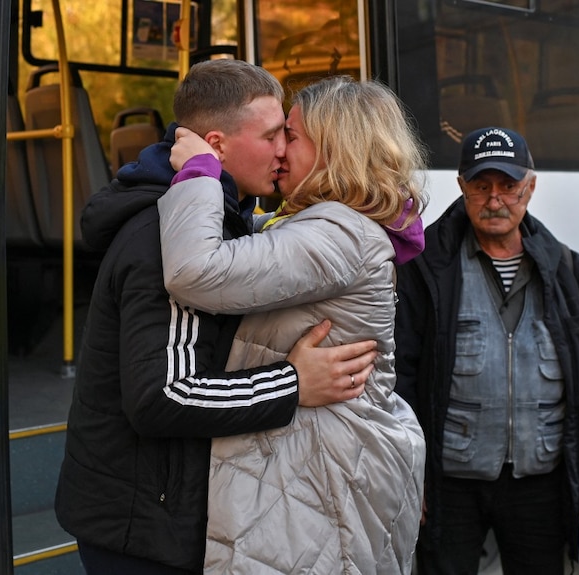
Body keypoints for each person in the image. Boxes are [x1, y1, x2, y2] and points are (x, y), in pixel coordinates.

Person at [54, 60, 378, 575]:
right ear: (215, 146)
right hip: (145, 531)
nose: (283, 150)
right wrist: (293, 385)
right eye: (273, 134)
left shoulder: (219, 215)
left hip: (164, 515)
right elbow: (163, 395)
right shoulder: (168, 237)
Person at [156, 75, 428, 574]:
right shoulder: (330, 225)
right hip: (316, 471)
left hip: (317, 479)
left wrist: (200, 173)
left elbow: (195, 271)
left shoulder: (340, 233)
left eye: (293, 136)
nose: (280, 149)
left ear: (334, 150)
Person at [394, 126, 579, 574]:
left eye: (508, 186)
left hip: (541, 480)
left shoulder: (565, 267)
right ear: (461, 188)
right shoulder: (428, 268)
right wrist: (409, 471)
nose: (495, 199)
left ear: (530, 187)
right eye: (481, 186)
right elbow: (401, 373)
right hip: (448, 480)